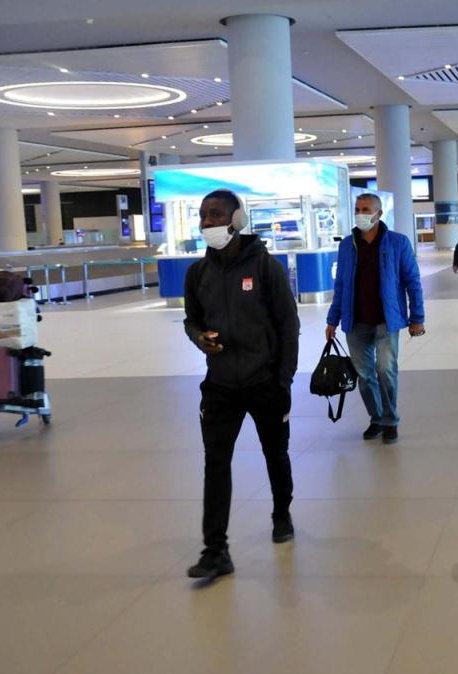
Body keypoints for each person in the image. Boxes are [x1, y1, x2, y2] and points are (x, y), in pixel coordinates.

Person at [183, 189, 300, 581]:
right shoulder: (198, 274)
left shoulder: (266, 268)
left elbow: (289, 326)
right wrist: (200, 338)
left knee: (275, 454)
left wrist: (283, 381)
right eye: (203, 215)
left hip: (264, 382)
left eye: (216, 214)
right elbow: (191, 320)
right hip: (219, 385)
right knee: (216, 463)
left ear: (237, 219)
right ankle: (215, 550)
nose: (208, 222)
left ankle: (281, 513)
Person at [325, 193, 426, 445]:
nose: (360, 213)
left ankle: (390, 420)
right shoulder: (347, 245)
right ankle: (376, 418)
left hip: (386, 320)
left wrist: (417, 317)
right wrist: (332, 319)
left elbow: (413, 282)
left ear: (379, 214)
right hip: (355, 321)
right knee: (365, 375)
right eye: (357, 209)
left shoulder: (398, 243)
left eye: (366, 209)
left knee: (385, 369)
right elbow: (340, 285)